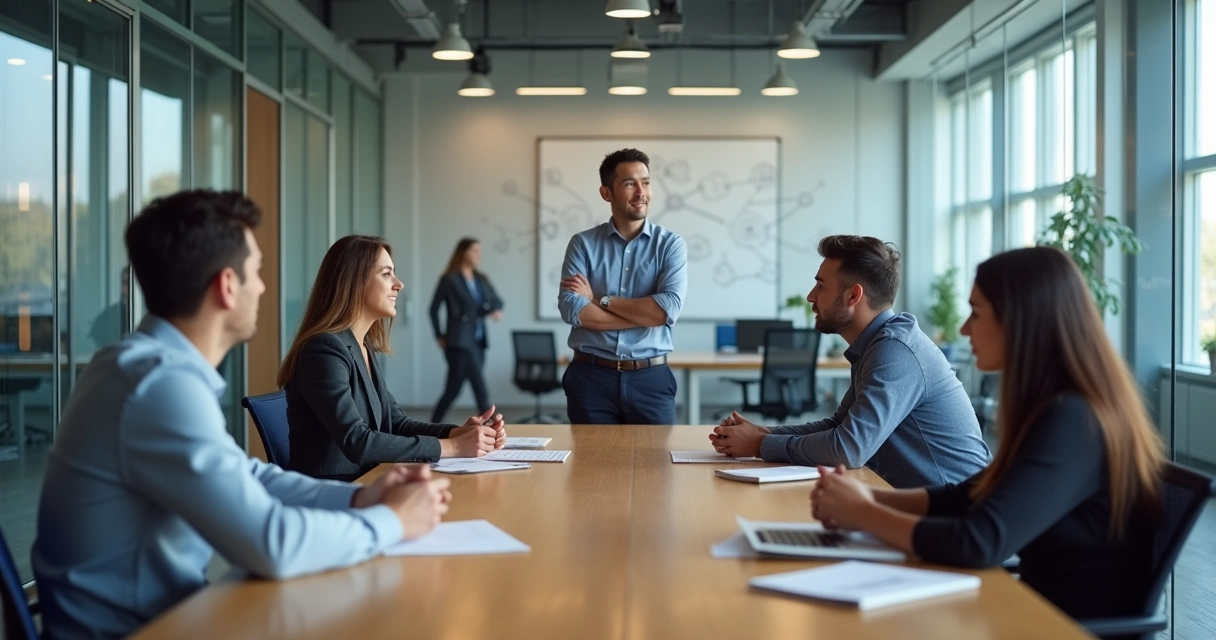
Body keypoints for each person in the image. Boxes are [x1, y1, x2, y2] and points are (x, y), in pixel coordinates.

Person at [32, 191, 452, 640]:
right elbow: (272, 545)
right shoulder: (159, 385)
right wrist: (392, 522)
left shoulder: (141, 366)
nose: (264, 287)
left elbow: (249, 476)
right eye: (257, 272)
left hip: (171, 616)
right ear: (227, 285)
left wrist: (359, 499)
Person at [811, 246, 1165, 621]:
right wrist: (867, 498)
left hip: (1057, 626)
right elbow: (968, 496)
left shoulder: (1074, 420)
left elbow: (978, 542)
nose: (964, 329)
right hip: (1029, 615)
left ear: (1021, 321)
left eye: (976, 313)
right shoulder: (1054, 407)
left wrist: (864, 512)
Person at [710, 235, 989, 489]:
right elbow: (838, 426)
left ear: (853, 295)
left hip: (956, 521)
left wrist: (760, 445)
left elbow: (849, 448)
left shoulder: (896, 351)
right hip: (918, 508)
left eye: (821, 286)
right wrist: (762, 432)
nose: (810, 296)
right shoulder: (878, 343)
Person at [280, 235, 505, 481]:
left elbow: (396, 423)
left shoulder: (361, 346)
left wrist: (456, 434)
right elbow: (358, 442)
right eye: (386, 274)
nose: (399, 284)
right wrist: (454, 449)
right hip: (331, 495)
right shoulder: (323, 351)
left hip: (364, 482)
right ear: (354, 281)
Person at [557, 148, 688, 425]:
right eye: (630, 183)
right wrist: (644, 316)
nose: (641, 192)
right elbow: (573, 310)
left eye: (646, 182)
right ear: (607, 193)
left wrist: (598, 299)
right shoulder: (582, 244)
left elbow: (665, 311)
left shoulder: (670, 245)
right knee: (591, 466)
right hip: (591, 378)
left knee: (656, 466)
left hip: (650, 380)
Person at [428, 237, 504, 423]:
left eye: (480, 251)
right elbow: (433, 309)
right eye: (475, 251)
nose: (479, 255)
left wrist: (494, 309)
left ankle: (431, 425)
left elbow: (497, 300)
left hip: (478, 341)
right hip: (459, 341)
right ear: (463, 253)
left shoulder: (481, 278)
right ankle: (493, 427)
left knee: (452, 390)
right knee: (479, 387)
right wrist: (439, 335)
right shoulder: (449, 279)